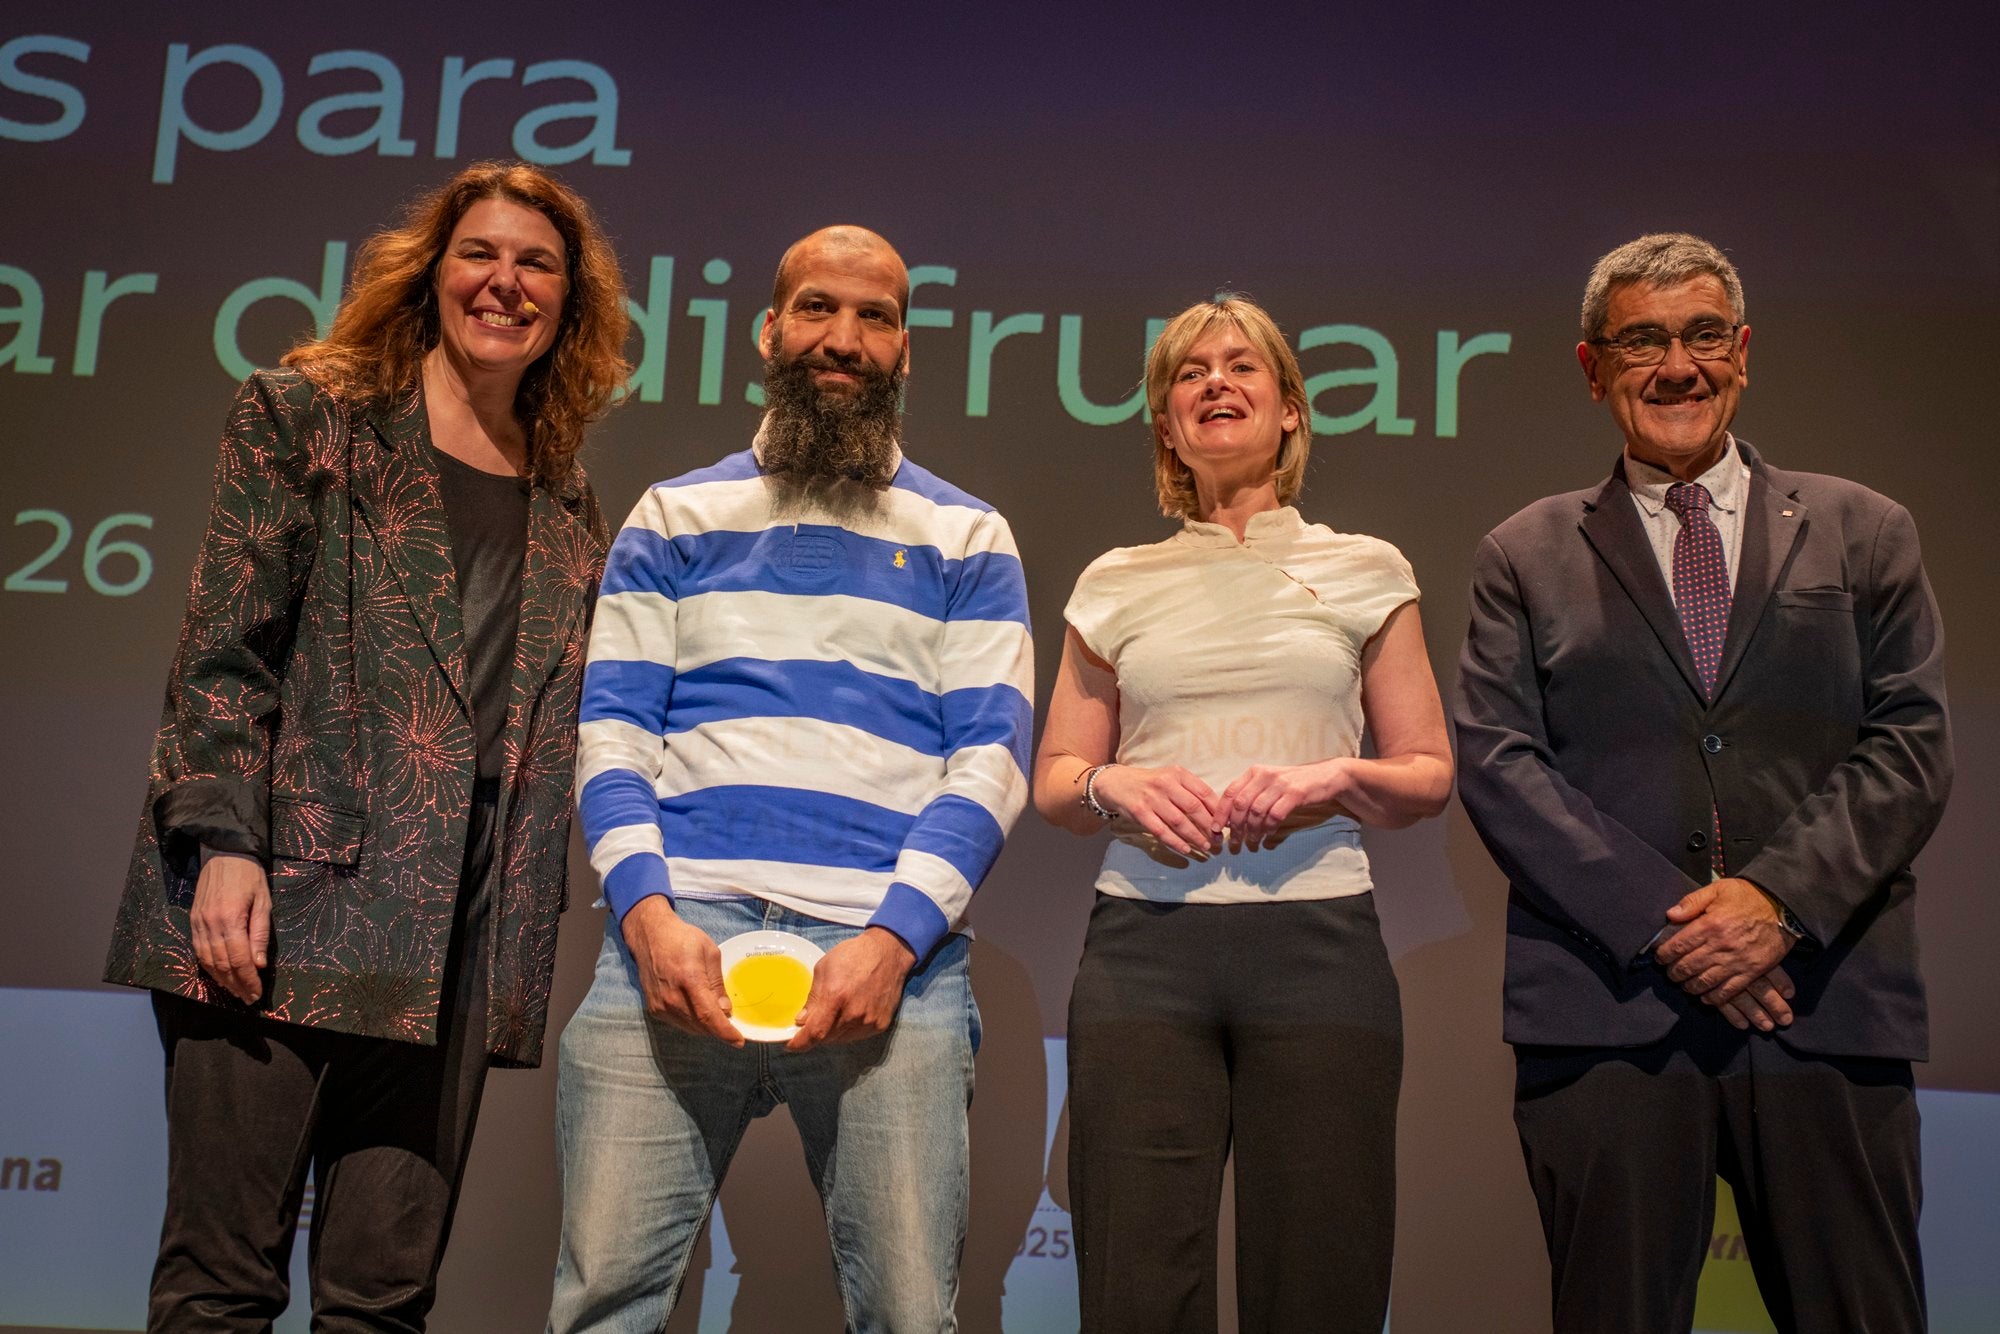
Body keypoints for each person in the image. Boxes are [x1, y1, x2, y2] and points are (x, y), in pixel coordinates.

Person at [103, 161, 631, 1331]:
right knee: (221, 1282)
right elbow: (223, 650)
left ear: (572, 302)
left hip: (457, 929)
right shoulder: (308, 414)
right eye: (480, 253)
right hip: (277, 902)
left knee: (382, 1299)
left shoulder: (568, 498)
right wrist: (224, 847)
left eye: (537, 263)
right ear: (431, 272)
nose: (505, 282)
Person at [1452, 233, 1950, 1332]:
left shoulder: (1865, 529)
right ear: (1591, 367)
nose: (1676, 364)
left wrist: (1773, 905)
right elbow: (1496, 760)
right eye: (1641, 340)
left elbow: (1909, 742)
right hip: (1609, 1013)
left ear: (1741, 352)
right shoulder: (1520, 553)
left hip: (1823, 1004)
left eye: (1701, 335)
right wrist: (1671, 926)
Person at [549, 224, 1033, 1333]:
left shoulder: (967, 535)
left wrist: (895, 938)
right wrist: (651, 919)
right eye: (817, 308)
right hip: (675, 948)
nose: (843, 338)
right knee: (604, 1306)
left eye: (875, 317)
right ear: (767, 330)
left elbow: (989, 761)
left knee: (910, 1315)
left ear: (904, 349)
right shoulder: (674, 516)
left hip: (888, 965)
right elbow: (614, 731)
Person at [1032, 295, 1453, 1333]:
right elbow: (1054, 777)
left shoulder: (1366, 566)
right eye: (1188, 373)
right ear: (1167, 427)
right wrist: (1110, 784)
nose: (1215, 382)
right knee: (1136, 1288)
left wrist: (1327, 779)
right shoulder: (1115, 580)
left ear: (1290, 412)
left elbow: (1427, 770)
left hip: (1317, 943)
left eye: (1240, 367)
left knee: (1319, 1282)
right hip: (1143, 947)